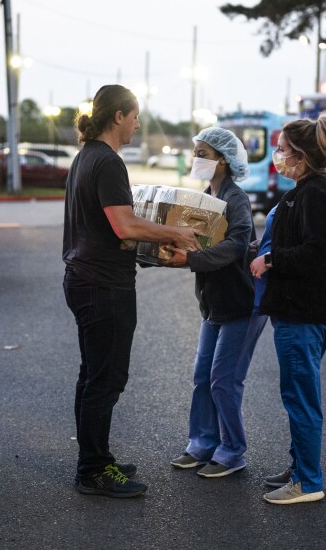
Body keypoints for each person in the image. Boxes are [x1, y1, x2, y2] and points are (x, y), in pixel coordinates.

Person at [62, 85, 202, 499]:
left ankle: (96, 458)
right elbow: (125, 225)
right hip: (103, 286)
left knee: (93, 376)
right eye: (135, 115)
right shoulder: (106, 161)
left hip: (85, 278)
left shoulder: (86, 156)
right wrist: (176, 231)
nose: (138, 123)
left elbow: (108, 229)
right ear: (119, 116)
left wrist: (148, 246)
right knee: (106, 379)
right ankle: (92, 471)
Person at [250, 114, 326, 505]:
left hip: (304, 313)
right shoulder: (309, 189)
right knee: (298, 393)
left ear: (301, 154)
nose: (277, 156)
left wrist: (271, 260)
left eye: (281, 150)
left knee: (300, 397)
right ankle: (299, 467)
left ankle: (308, 482)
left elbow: (316, 252)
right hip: (302, 310)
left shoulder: (314, 192)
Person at [164, 127, 258, 477]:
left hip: (241, 304)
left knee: (223, 378)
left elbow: (236, 245)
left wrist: (189, 260)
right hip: (214, 303)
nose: (196, 158)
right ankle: (203, 444)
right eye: (196, 152)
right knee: (203, 375)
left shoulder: (236, 199)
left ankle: (232, 452)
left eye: (203, 152)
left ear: (223, 160)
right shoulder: (205, 197)